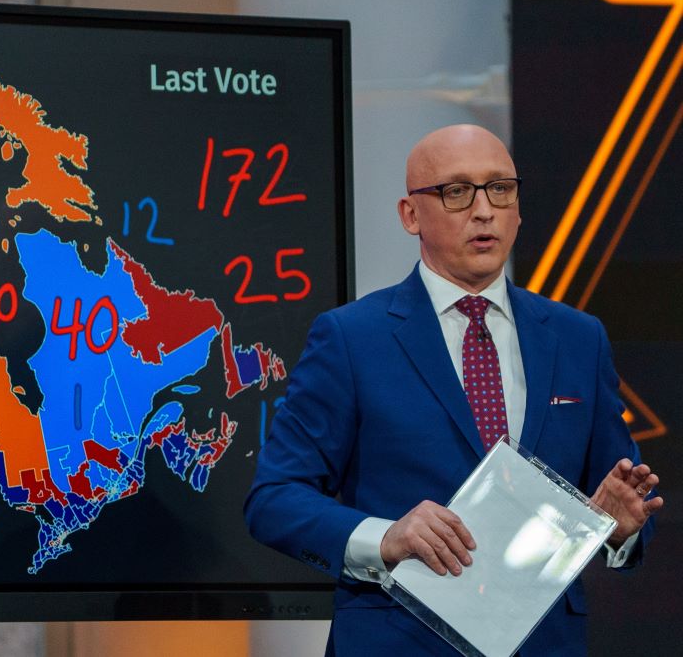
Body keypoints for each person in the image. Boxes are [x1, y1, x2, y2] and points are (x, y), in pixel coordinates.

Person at [244, 124, 663, 656]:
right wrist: (385, 537)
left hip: (545, 642)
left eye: (500, 189)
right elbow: (274, 499)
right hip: (399, 640)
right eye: (457, 191)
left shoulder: (578, 338)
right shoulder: (352, 338)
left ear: (518, 208)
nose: (484, 210)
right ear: (410, 215)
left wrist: (620, 530)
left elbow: (617, 497)